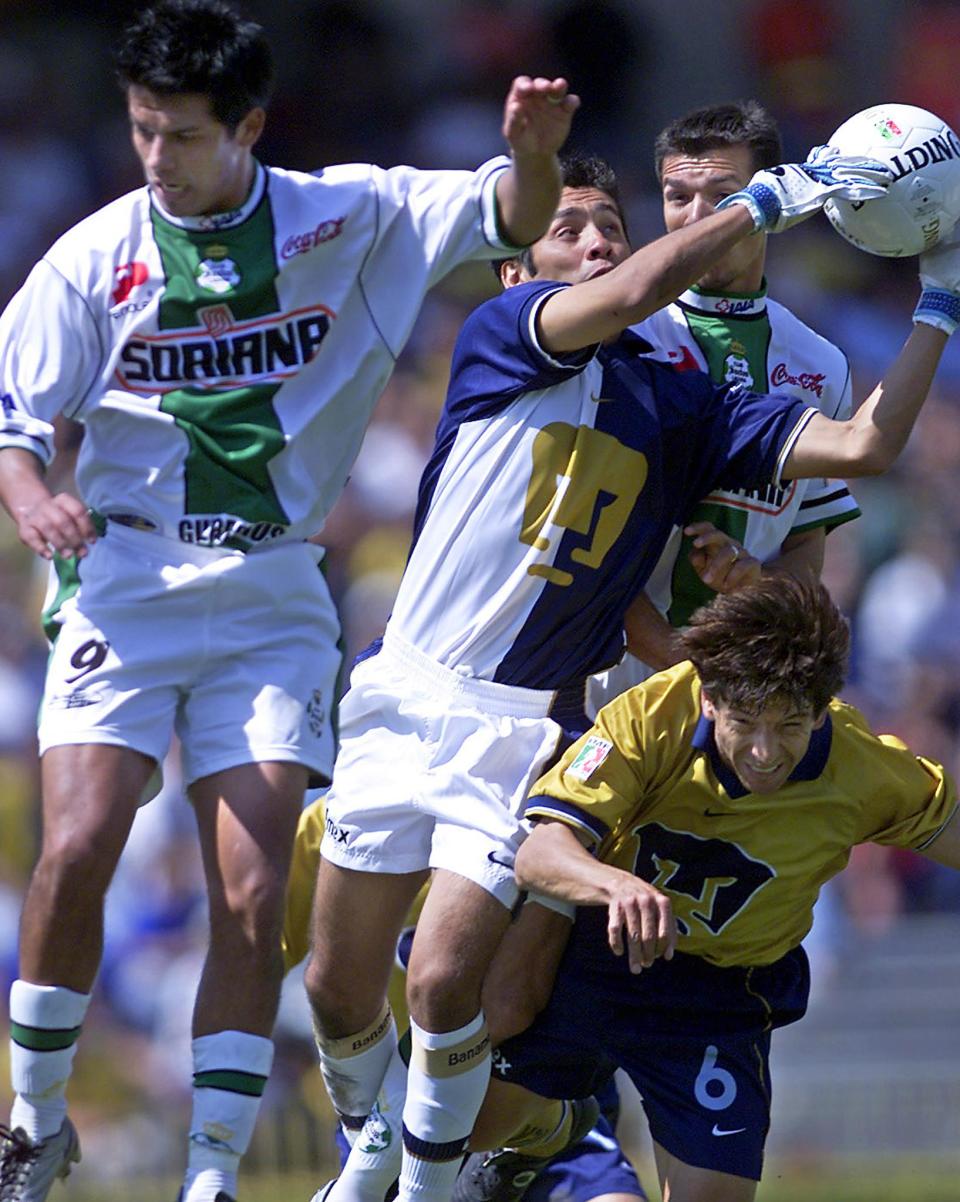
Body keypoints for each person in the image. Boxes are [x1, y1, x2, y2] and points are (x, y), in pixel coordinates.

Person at [303, 141, 960, 1202]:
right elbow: (649, 284)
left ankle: (427, 1183)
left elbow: (868, 444)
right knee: (337, 987)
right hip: (404, 690)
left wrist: (943, 301)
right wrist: (761, 203)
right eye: (571, 229)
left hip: (523, 720)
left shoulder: (683, 404)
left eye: (610, 226)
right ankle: (378, 1140)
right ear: (517, 267)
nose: (600, 242)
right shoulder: (504, 336)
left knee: (443, 982)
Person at [0, 0, 579, 1197]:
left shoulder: (352, 214)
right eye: (141, 128)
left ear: (251, 125)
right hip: (128, 580)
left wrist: (531, 158)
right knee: (75, 844)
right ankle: (30, 1121)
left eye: (181, 134)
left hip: (271, 595)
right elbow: (12, 422)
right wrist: (28, 496)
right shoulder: (91, 254)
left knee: (255, 892)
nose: (154, 155)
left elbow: (507, 218)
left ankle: (213, 1177)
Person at [469, 574, 960, 1202]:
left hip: (720, 995)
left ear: (821, 708)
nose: (763, 751)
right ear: (709, 700)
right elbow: (542, 852)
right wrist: (615, 886)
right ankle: (556, 1129)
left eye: (790, 725)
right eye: (745, 721)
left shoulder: (867, 769)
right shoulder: (650, 717)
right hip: (598, 954)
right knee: (470, 1120)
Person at [590, 100, 860, 711]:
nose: (695, 217)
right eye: (676, 196)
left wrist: (757, 587)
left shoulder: (821, 364)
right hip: (605, 678)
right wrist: (692, 672)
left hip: (733, 696)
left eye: (722, 194)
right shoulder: (620, 333)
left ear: (772, 202)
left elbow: (803, 544)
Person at [283, 799, 649, 1202]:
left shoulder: (544, 804)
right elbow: (268, 953)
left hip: (528, 1079)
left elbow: (513, 997)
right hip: (392, 1105)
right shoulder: (340, 815)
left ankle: (548, 1127)